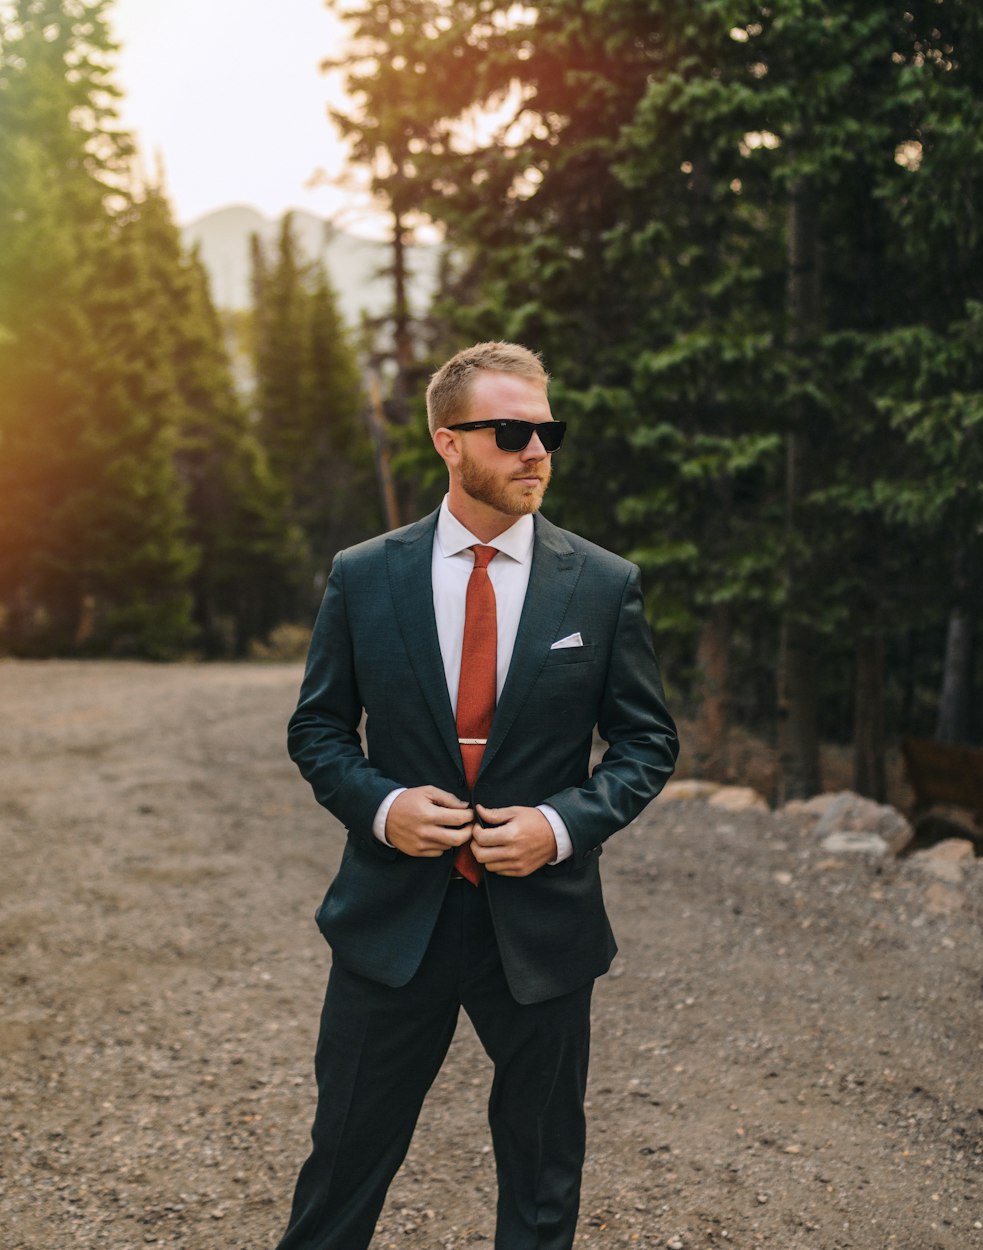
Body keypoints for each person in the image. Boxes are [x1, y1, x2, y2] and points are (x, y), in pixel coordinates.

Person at [275, 341, 678, 1250]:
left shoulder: (605, 585)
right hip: (392, 920)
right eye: (511, 433)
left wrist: (560, 825)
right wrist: (383, 807)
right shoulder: (365, 574)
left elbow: (648, 742)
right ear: (447, 443)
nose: (537, 451)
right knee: (341, 1168)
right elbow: (319, 730)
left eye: (547, 431)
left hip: (541, 927)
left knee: (542, 1182)